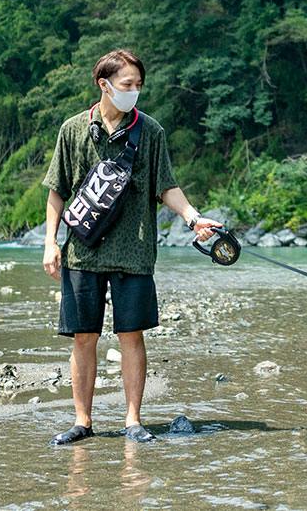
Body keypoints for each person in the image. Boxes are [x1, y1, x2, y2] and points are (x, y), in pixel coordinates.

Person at [41, 48, 222, 445]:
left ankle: (133, 421)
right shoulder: (72, 130)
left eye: (139, 85)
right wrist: (50, 243)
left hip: (135, 251)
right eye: (127, 85)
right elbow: (57, 191)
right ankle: (82, 421)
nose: (134, 92)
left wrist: (193, 218)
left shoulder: (150, 131)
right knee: (83, 337)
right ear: (104, 85)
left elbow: (167, 186)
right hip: (82, 251)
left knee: (131, 335)